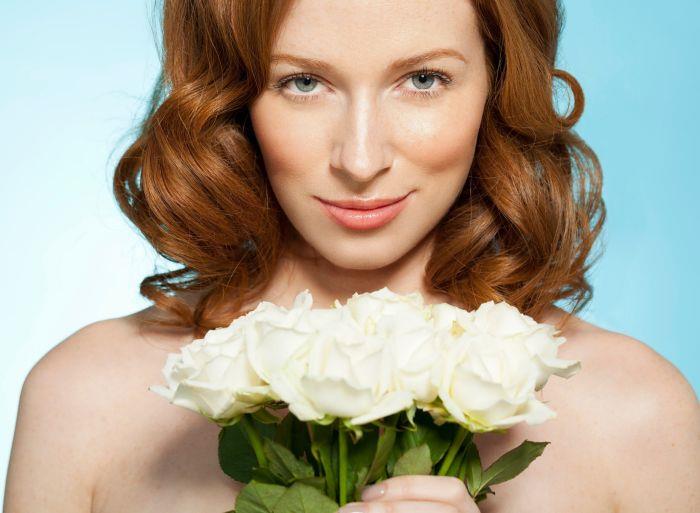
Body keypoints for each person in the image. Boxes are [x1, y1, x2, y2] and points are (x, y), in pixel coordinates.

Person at [4, 0, 699, 512]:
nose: (361, 160)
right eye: (303, 83)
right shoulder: (86, 402)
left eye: (423, 79)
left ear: (498, 83)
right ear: (231, 93)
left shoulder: (635, 414)